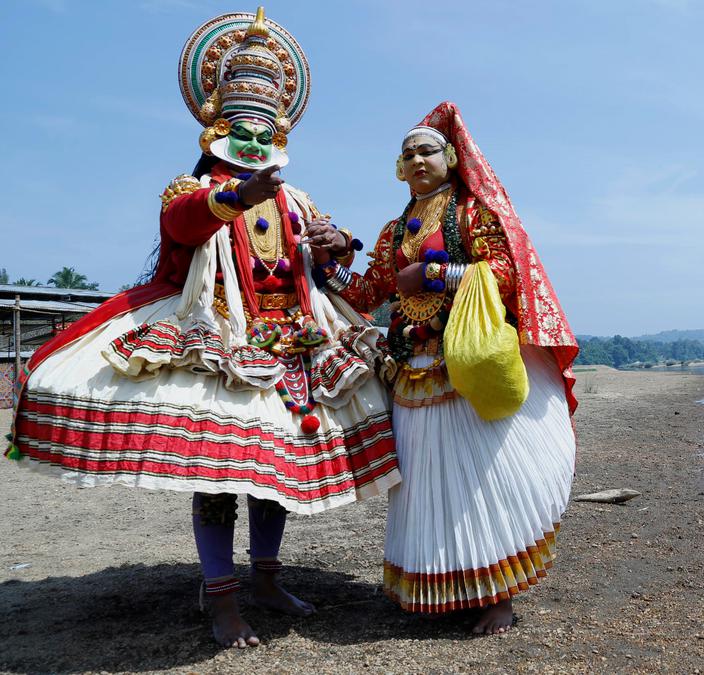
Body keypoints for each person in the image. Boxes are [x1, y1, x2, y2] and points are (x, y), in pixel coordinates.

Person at [5, 8, 400, 648]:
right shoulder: (189, 190)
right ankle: (220, 596)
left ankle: (265, 579)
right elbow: (183, 228)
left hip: (293, 342)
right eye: (243, 129)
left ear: (282, 133)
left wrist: (332, 241)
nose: (253, 142)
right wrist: (235, 199)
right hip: (216, 338)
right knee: (219, 475)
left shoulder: (295, 199)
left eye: (265, 130)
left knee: (275, 473)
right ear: (216, 127)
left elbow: (326, 255)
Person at [309, 102, 579, 634]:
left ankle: (499, 595)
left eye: (426, 150)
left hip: (466, 363)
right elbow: (369, 292)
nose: (416, 160)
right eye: (406, 154)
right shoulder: (393, 231)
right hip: (412, 369)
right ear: (397, 168)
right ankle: (451, 585)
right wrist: (328, 263)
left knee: (486, 477)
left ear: (451, 157)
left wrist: (433, 276)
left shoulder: (472, 214)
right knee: (428, 481)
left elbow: (502, 272)